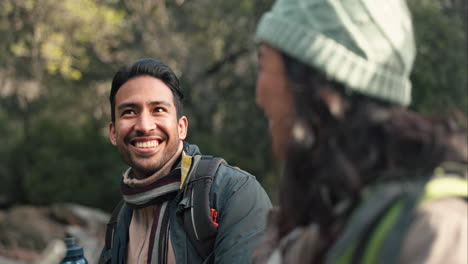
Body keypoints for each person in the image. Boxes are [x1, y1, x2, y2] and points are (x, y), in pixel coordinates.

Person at [252, 0, 467, 263]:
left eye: (263, 63)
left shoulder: (434, 234)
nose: (259, 96)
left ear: (319, 88)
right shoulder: (323, 224)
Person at [99, 59, 272, 264]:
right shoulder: (120, 221)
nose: (144, 126)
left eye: (159, 110)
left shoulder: (234, 192)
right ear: (113, 132)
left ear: (181, 127)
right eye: (129, 112)